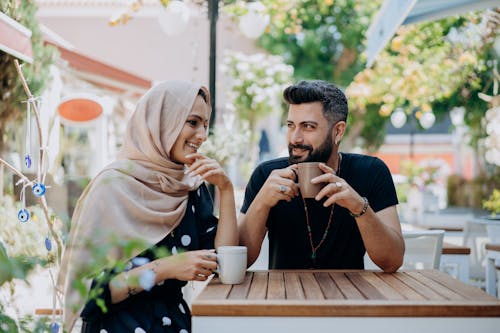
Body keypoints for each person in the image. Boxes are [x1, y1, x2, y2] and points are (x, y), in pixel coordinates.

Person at [58, 81, 238, 333]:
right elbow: (88, 297)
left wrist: (225, 189)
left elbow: (224, 261)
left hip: (175, 326)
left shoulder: (191, 187)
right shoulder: (111, 186)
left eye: (206, 125)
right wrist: (167, 268)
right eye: (193, 122)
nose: (202, 135)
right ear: (162, 122)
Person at [238, 80, 404, 272]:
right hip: (284, 298)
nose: (295, 138)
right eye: (291, 125)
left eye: (308, 126)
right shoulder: (267, 175)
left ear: (338, 131)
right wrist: (262, 202)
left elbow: (392, 261)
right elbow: (240, 261)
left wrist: (358, 206)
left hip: (350, 297)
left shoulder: (371, 171)